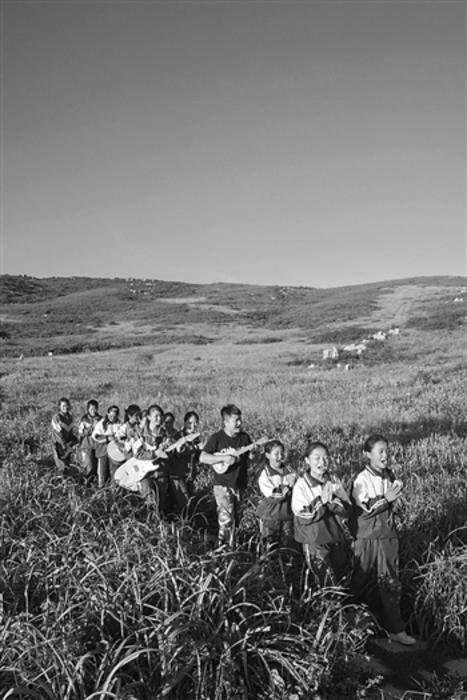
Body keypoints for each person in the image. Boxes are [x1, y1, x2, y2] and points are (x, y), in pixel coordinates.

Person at [351, 434, 416, 646]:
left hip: (387, 535)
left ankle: (395, 629)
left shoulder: (389, 474)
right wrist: (385, 499)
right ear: (367, 455)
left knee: (390, 582)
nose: (386, 455)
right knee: (361, 581)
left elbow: (392, 503)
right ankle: (355, 629)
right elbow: (365, 508)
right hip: (367, 537)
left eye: (387, 450)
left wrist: (396, 498)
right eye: (381, 451)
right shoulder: (361, 479)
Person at [292, 441, 352, 585]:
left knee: (341, 576)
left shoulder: (333, 481)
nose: (322, 462)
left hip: (335, 537)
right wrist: (321, 501)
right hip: (315, 541)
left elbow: (348, 509)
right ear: (307, 461)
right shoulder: (301, 485)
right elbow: (302, 516)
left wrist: (332, 501)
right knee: (326, 580)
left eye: (325, 458)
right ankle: (326, 600)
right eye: (317, 458)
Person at [199, 404, 252, 548]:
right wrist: (224, 458)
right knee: (226, 520)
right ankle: (223, 549)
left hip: (240, 485)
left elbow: (250, 458)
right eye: (236, 421)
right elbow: (203, 457)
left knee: (237, 519)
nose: (239, 423)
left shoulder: (244, 438)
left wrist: (255, 452)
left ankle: (233, 547)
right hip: (222, 485)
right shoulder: (217, 438)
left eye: (240, 420)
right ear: (226, 422)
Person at [256, 440, 296, 550]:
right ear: (267, 455)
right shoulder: (265, 475)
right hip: (270, 517)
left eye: (282, 453)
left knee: (289, 547)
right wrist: (288, 486)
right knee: (270, 547)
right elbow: (273, 495)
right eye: (276, 454)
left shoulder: (290, 470)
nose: (280, 456)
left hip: (287, 515)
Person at [166, 411, 201, 517]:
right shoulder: (178, 436)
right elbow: (177, 452)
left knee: (189, 502)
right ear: (185, 423)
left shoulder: (196, 438)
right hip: (178, 474)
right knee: (185, 502)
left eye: (195, 423)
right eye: (190, 423)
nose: (193, 426)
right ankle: (184, 524)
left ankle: (186, 522)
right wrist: (194, 448)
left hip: (190, 474)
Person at [91, 405, 122, 488]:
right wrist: (107, 438)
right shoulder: (101, 423)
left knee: (114, 471)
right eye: (111, 415)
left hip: (114, 452)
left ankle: (113, 489)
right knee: (102, 472)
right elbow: (95, 436)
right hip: (103, 451)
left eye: (115, 415)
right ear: (108, 414)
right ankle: (101, 488)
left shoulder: (120, 423)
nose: (113, 417)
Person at [78, 400, 101, 485]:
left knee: (96, 466)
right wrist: (92, 428)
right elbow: (81, 432)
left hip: (97, 446)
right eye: (91, 409)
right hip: (87, 446)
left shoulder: (101, 419)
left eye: (95, 409)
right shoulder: (84, 419)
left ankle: (94, 484)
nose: (93, 411)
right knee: (88, 466)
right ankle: (85, 484)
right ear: (88, 409)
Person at [51, 398, 78, 471]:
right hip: (59, 445)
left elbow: (71, 431)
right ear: (59, 407)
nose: (65, 407)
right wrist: (64, 445)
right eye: (63, 406)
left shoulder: (70, 417)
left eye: (67, 405)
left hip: (68, 445)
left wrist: (74, 441)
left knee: (67, 465)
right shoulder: (57, 417)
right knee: (61, 466)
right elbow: (58, 434)